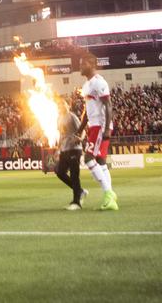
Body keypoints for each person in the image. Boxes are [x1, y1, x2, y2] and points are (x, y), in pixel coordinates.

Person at [77, 53, 119, 210]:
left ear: (91, 64)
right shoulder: (86, 85)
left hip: (100, 126)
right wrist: (79, 131)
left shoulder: (99, 82)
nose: (80, 67)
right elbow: (87, 111)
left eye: (83, 64)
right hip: (94, 125)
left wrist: (107, 128)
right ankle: (111, 197)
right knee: (100, 161)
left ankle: (108, 193)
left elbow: (108, 105)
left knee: (88, 158)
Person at [53, 97, 86, 210]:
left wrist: (80, 138)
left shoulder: (72, 116)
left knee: (74, 175)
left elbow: (83, 129)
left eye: (63, 104)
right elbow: (61, 135)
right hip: (64, 149)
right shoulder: (59, 118)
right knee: (59, 172)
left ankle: (77, 202)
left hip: (74, 148)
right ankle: (80, 191)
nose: (61, 106)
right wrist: (58, 149)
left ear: (67, 105)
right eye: (59, 105)